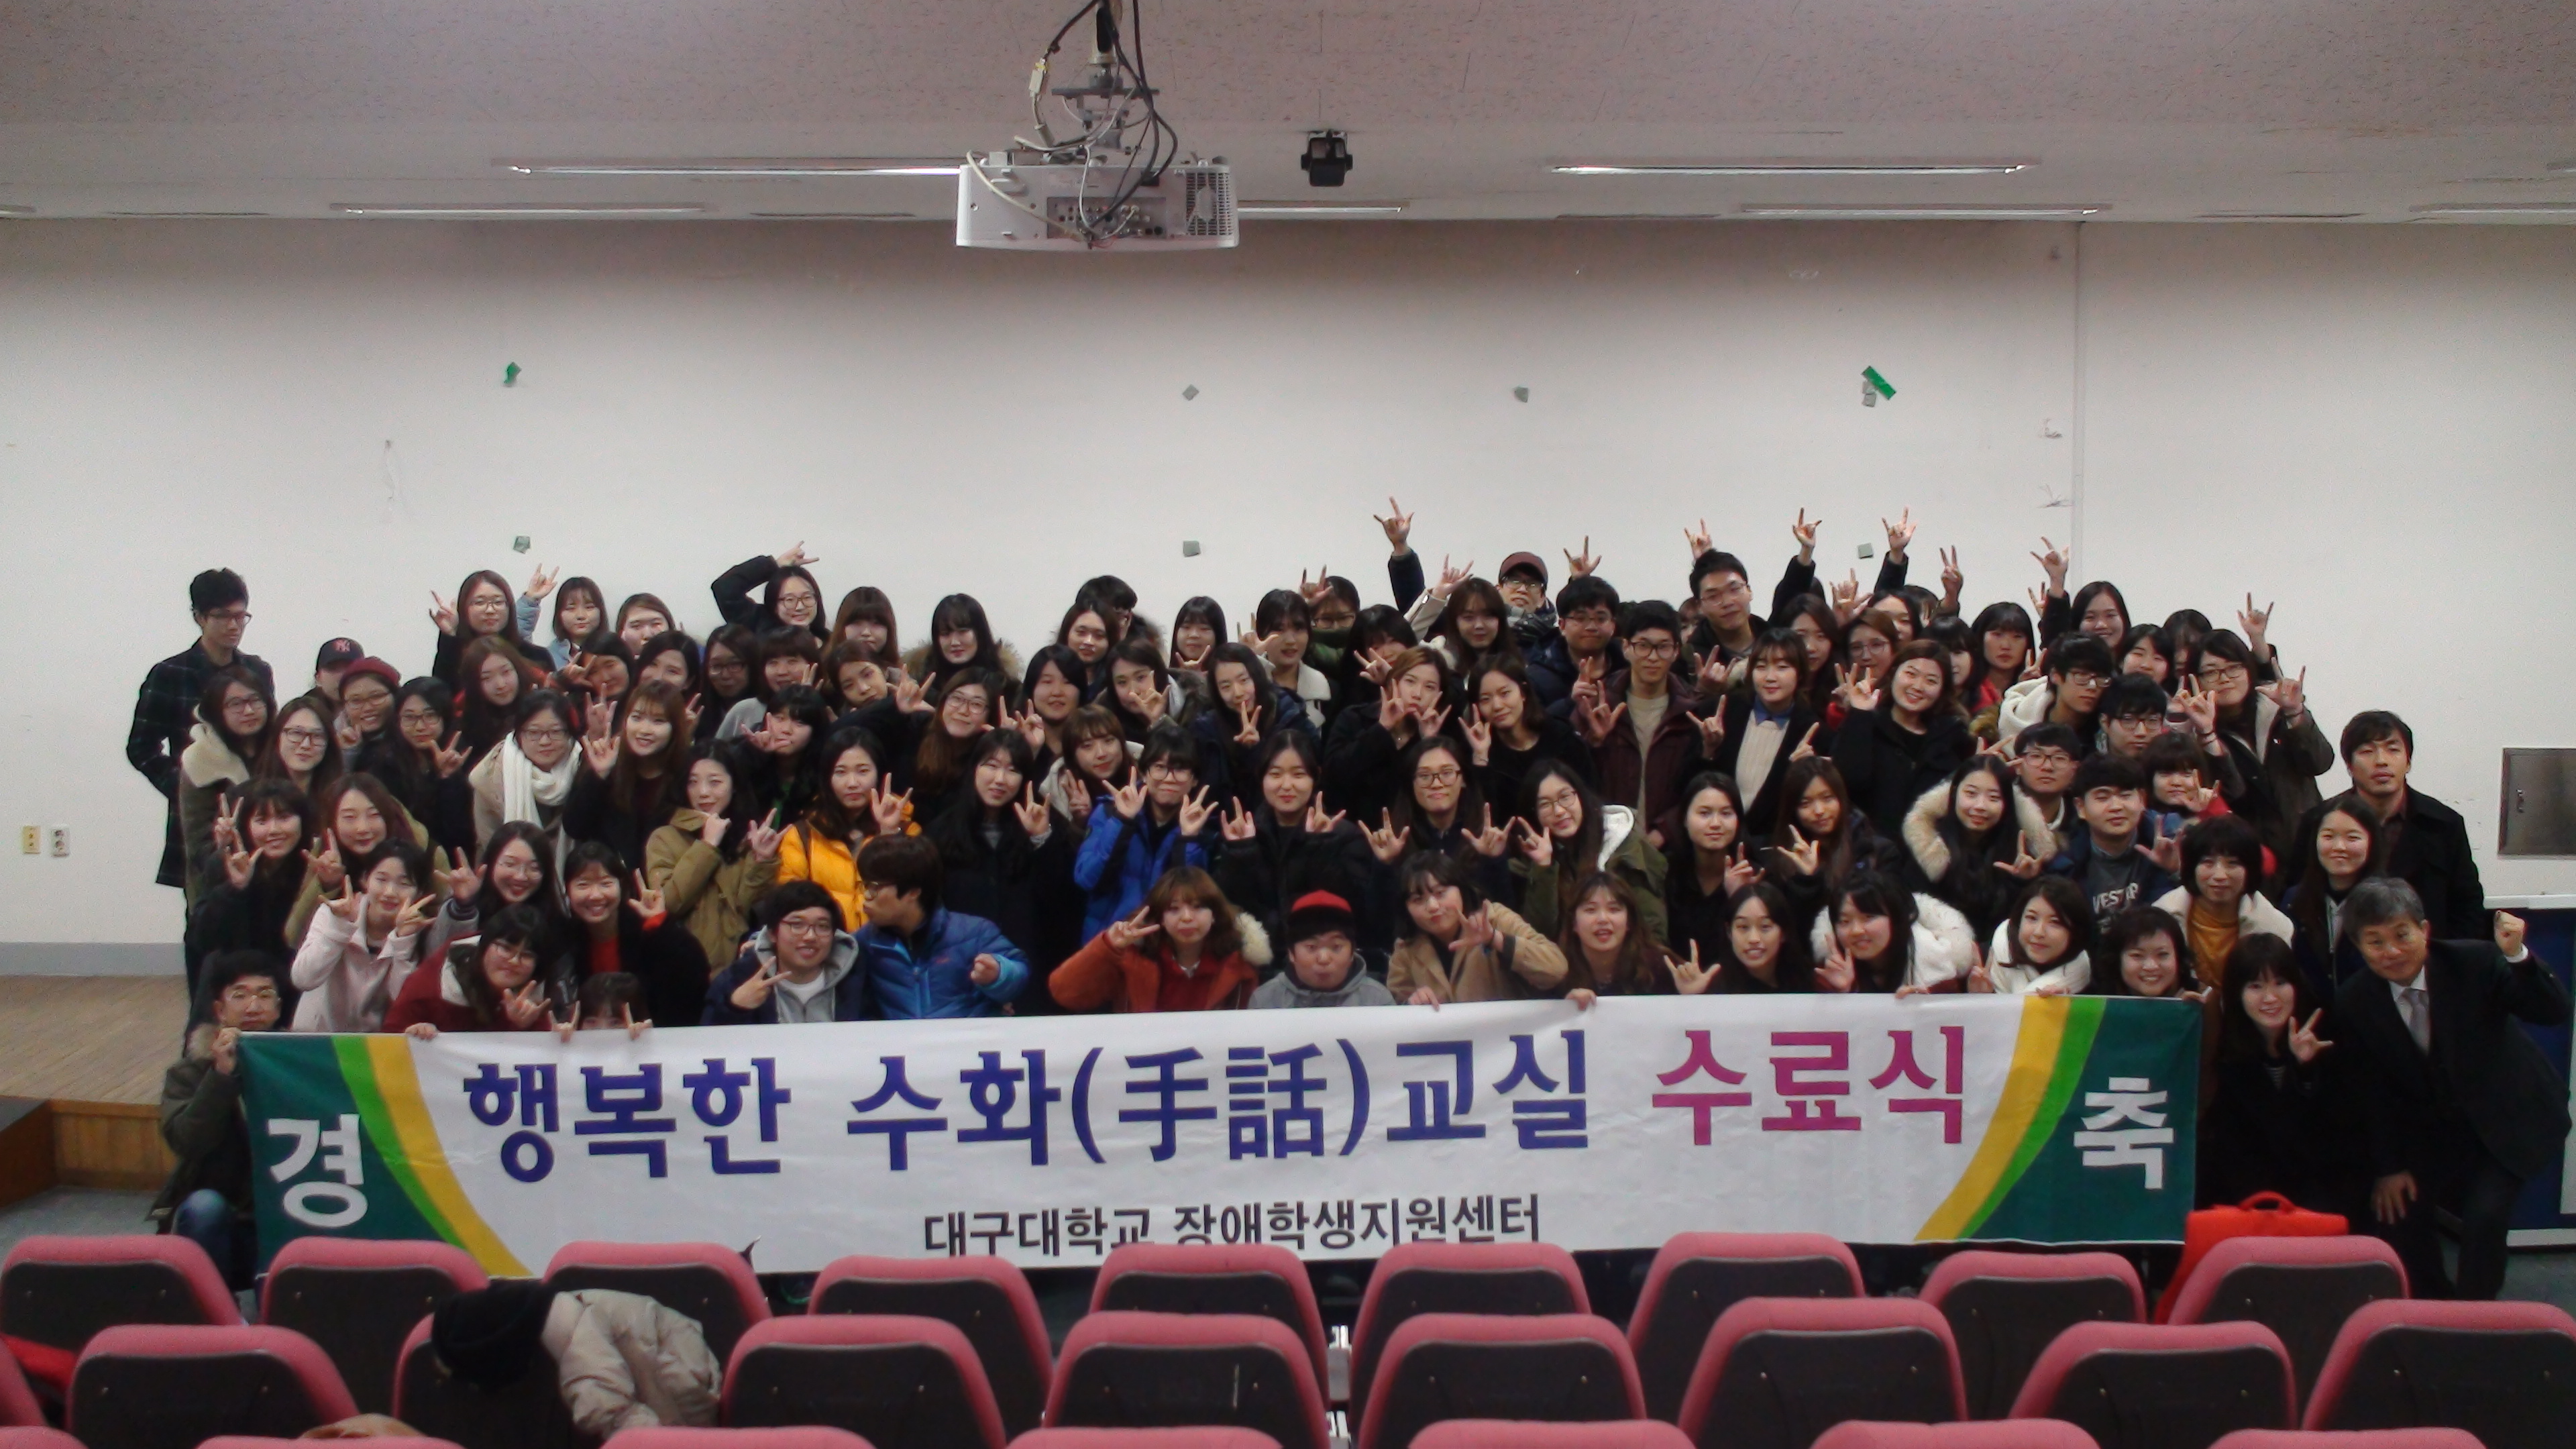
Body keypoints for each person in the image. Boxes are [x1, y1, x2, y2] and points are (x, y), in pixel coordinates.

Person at [2334, 879, 2569, 1300]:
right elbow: (2371, 1091)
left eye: (2402, 935)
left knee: (2484, 1217)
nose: (2392, 951)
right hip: (2436, 1129)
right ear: (2358, 946)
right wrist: (2390, 1167)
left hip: (2508, 1117)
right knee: (2398, 1211)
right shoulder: (2355, 1001)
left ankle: (2474, 1316)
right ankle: (2434, 1307)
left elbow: (2552, 1010)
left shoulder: (2474, 962)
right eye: (2375, 942)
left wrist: (2517, 955)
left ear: (2424, 930)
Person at [132, 569, 276, 904]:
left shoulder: (257, 671)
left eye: (241, 616)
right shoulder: (170, 673)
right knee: (206, 909)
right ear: (199, 617)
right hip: (200, 817)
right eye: (223, 616)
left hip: (256, 806)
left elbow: (269, 736)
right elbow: (141, 747)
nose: (234, 626)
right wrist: (185, 786)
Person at [429, 1280, 719, 1440]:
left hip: (681, 1386)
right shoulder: (546, 1313)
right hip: (672, 1350)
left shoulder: (573, 1341)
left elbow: (626, 1424)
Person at [153, 951, 284, 1289]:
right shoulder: (189, 1073)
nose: (253, 1006)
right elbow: (187, 1141)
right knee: (203, 1207)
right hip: (227, 1215)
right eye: (240, 995)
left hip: (285, 1207)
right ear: (219, 1010)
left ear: (278, 1008)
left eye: (264, 995)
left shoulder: (299, 1066)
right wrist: (221, 1077)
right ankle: (214, 1312)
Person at [2200, 934, 2358, 1212]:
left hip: (2322, 1201)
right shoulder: (2227, 1054)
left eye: (2280, 983)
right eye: (2256, 986)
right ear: (2237, 992)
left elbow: (2335, 1139)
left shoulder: (2327, 1037)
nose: (2270, 998)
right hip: (2252, 1206)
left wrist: (2305, 1069)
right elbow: (2234, 1152)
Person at [2296, 712, 2485, 941]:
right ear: (2349, 765)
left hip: (2425, 954)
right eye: (2367, 752)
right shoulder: (2319, 822)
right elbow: (2301, 896)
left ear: (2408, 762)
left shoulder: (2443, 824)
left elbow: (2467, 906)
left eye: (2393, 749)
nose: (2381, 761)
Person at [926, 731, 1082, 1005]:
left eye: (1013, 770)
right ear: (974, 769)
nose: (1000, 779)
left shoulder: (1047, 824)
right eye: (991, 766)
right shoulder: (942, 832)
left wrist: (1041, 839)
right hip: (962, 978)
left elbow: (1064, 903)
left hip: (1034, 975)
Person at [2194, 629, 2332, 872]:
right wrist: (2208, 736)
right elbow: (2234, 794)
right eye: (2212, 672)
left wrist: (2295, 714)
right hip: (2249, 862)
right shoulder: (2196, 734)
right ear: (2196, 680)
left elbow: (2319, 762)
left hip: (2309, 848)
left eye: (2234, 668)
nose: (2224, 678)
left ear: (2249, 669)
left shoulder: (2278, 710)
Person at [851, 833, 1029, 1018]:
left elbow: (1019, 973)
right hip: (902, 1038)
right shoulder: (863, 944)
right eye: (865, 886)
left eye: (875, 887)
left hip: (966, 1036)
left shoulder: (974, 933)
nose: (866, 897)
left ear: (913, 892)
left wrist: (998, 974)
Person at [1052, 866, 1269, 1012]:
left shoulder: (1239, 965)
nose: (1186, 917)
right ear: (1160, 918)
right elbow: (1066, 994)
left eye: (1198, 907)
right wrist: (1107, 946)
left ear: (1215, 915)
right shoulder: (1132, 958)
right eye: (1174, 909)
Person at [643, 748, 783, 969]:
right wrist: (707, 846)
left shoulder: (749, 836)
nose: (703, 792)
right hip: (684, 966)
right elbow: (668, 904)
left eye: (715, 782)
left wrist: (761, 861)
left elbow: (747, 908)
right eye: (693, 783)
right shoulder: (665, 838)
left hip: (738, 967)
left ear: (734, 785)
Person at [1074, 724, 1217, 940]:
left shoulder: (1204, 832)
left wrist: (1188, 839)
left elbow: (1193, 900)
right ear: (1144, 772)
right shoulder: (1109, 812)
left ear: (1194, 780)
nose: (1169, 778)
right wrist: (1122, 821)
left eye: (1180, 769)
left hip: (1167, 946)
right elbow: (1087, 879)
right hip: (1108, 941)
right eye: (1159, 767)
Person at [557, 843, 714, 1030]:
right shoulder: (563, 940)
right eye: (583, 885)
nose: (596, 895)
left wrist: (661, 924)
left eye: (606, 884)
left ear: (621, 885)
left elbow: (694, 979)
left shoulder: (647, 929)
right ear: (567, 890)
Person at [1899, 756, 2056, 943]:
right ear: (1954, 793)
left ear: (2007, 804)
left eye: (1993, 798)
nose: (1980, 806)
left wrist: (2024, 881)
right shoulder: (1929, 848)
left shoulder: (2021, 852)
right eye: (1971, 794)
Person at [1578, 600, 1701, 838]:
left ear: (1676, 651)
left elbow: (1696, 786)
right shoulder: (1599, 704)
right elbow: (1575, 779)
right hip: (1607, 842)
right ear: (1626, 647)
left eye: (1663, 647)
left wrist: (1665, 832)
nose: (1653, 657)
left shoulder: (1691, 713)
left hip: (1669, 847)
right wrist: (1594, 741)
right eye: (1643, 646)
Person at [1687, 629, 1822, 841]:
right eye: (1761, 667)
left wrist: (1806, 772)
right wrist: (1708, 750)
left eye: (1782, 667)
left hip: (1772, 845)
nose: (1770, 677)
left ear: (1801, 674)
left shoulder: (1812, 730)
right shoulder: (1722, 711)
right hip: (1715, 838)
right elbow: (1686, 786)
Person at [1513, 761, 1668, 946]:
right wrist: (1544, 867)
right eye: (1545, 804)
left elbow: (1652, 927)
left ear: (1580, 796)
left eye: (1565, 797)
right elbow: (1540, 936)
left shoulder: (1622, 843)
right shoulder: (1532, 855)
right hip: (1566, 959)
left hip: (1627, 955)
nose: (1559, 811)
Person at [185, 780, 314, 998]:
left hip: (297, 984)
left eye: (284, 818)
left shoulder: (315, 866)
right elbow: (202, 940)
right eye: (262, 821)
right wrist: (235, 888)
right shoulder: (226, 864)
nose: (274, 830)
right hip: (237, 985)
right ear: (246, 826)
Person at [1831, 641, 1973, 837]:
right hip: (1869, 847)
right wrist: (1860, 715)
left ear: (1942, 690)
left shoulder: (1952, 738)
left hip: (1927, 850)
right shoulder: (1867, 723)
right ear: (1894, 673)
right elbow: (1848, 782)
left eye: (1931, 681)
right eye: (1911, 674)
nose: (1918, 686)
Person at [290, 841, 434, 1032]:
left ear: (420, 892)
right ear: (365, 880)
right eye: (381, 880)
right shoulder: (335, 913)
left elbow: (404, 1004)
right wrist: (341, 927)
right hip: (316, 1036)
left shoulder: (419, 931)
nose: (390, 893)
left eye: (404, 884)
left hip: (370, 1043)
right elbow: (303, 979)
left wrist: (403, 941)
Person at [1389, 851, 1567, 1004]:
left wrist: (1496, 939)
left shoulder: (1495, 918)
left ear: (1461, 889)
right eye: (1418, 900)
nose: (1433, 906)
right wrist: (1411, 1002)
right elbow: (1394, 1005)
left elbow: (1556, 969)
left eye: (1440, 893)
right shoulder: (1406, 948)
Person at [776, 726, 909, 931]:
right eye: (840, 772)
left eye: (863, 771)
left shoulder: (907, 829)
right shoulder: (801, 835)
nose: (852, 783)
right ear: (827, 778)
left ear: (880, 775)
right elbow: (789, 904)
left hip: (885, 942)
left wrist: (889, 835)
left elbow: (911, 898)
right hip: (824, 941)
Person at [176, 665, 275, 909]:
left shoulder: (284, 747)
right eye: (235, 704)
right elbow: (198, 845)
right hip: (221, 889)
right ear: (217, 711)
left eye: (255, 700)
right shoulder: (200, 759)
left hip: (278, 882)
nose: (249, 711)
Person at [2155, 815, 2292, 990]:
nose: (2220, 875)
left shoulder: (2275, 928)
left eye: (2232, 864)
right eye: (2208, 863)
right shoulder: (2163, 916)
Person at [702, 881, 867, 1024]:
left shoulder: (856, 979)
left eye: (823, 926)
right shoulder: (740, 977)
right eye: (797, 925)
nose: (810, 936)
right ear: (772, 934)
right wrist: (735, 1009)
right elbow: (707, 1040)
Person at [384, 906, 557, 1037]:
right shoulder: (429, 987)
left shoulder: (537, 992)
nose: (514, 961)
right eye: (506, 948)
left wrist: (524, 1026)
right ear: (484, 946)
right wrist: (411, 1034)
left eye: (526, 956)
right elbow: (387, 1040)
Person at [2048, 753, 2179, 921]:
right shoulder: (2065, 864)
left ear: (2142, 800)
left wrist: (2176, 872)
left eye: (2125, 795)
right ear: (2080, 807)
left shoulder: (2169, 843)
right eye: (2103, 798)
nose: (2116, 807)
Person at [2282, 792, 2385, 999]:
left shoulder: (2388, 903)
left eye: (2352, 838)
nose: (2339, 847)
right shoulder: (2294, 901)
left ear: (2372, 842)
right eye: (2328, 837)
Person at [1814, 873, 1977, 994]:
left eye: (1869, 917)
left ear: (1896, 919)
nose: (1856, 930)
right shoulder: (1831, 970)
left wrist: (1923, 1008)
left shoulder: (1936, 962)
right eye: (1845, 921)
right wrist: (1843, 992)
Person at [469, 691, 582, 857]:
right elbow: (490, 848)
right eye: (534, 733)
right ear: (518, 735)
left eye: (556, 732)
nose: (545, 741)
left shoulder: (584, 766)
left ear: (570, 734)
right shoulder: (489, 778)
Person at [1250, 890, 1394, 1009]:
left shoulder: (1377, 999)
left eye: (1336, 947)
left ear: (1352, 952)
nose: (1324, 959)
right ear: (1291, 953)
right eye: (1311, 947)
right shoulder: (1266, 999)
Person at [1556, 872, 1677, 1004]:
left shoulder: (1659, 967)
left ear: (1629, 921)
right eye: (1591, 910)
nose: (1603, 919)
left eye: (1614, 909)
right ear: (1573, 923)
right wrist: (1566, 1008)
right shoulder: (1555, 972)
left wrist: (1689, 993)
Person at [1974, 875, 2094, 995]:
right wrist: (1979, 997)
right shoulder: (1981, 962)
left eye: (2055, 922)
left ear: (2075, 931)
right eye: (2032, 918)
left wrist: (2066, 1005)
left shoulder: (2089, 977)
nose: (2039, 932)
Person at [1994, 634, 2114, 748]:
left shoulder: (2108, 729)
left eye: (2100, 678)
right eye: (2081, 676)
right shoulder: (2010, 722)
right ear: (2055, 675)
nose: (2092, 686)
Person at [1709, 881, 1825, 994]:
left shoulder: (1808, 980)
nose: (1754, 939)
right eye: (1743, 927)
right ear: (1729, 932)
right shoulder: (1715, 989)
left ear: (1784, 932)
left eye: (1765, 927)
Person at [429, 570, 533, 688]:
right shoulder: (453, 654)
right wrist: (450, 636)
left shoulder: (532, 655)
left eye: (498, 602)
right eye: (479, 603)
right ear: (463, 608)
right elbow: (441, 692)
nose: (490, 610)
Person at [710, 541, 828, 639]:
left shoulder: (830, 643)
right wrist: (774, 565)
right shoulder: (760, 629)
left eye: (807, 597)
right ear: (774, 604)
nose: (800, 607)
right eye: (790, 600)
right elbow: (725, 588)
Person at [2089, 906, 2208, 1002]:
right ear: (2116, 960)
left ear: (2179, 957)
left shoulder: (2202, 998)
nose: (2151, 966)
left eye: (2162, 955)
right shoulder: (2097, 1004)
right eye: (2137, 956)